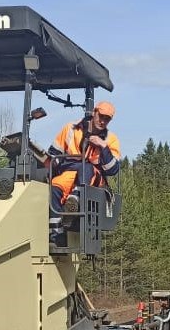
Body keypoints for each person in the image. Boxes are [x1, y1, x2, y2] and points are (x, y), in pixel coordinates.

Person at [47, 101, 121, 245]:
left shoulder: (110, 139)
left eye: (107, 119)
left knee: (86, 168)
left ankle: (74, 200)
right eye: (101, 116)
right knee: (55, 187)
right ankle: (57, 234)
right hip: (70, 171)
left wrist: (102, 146)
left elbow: (112, 169)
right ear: (94, 113)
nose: (103, 121)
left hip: (95, 177)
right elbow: (54, 154)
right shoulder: (71, 129)